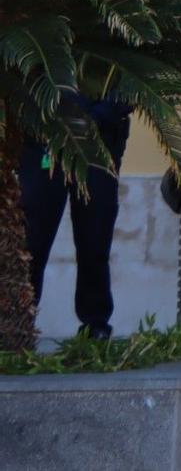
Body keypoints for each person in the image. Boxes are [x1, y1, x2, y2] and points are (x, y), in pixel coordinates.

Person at [20, 91, 130, 341]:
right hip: (45, 139)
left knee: (95, 239)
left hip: (99, 143)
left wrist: (96, 117)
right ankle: (18, 325)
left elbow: (130, 87)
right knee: (32, 239)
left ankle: (96, 325)